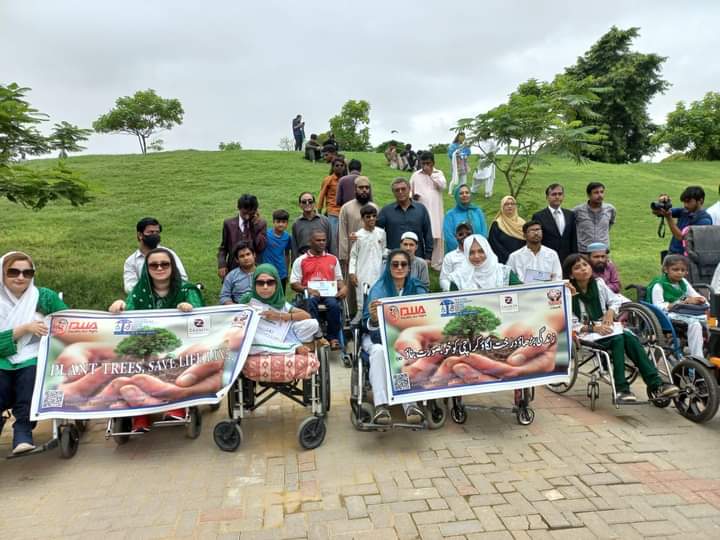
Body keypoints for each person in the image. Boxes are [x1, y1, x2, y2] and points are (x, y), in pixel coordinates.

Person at [109, 248, 204, 432]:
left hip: (179, 343)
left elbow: (200, 318)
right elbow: (128, 314)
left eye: (164, 264)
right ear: (147, 269)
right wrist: (120, 306)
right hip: (145, 345)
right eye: (154, 265)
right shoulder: (138, 292)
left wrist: (190, 308)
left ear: (172, 266)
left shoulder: (187, 290)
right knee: (129, 361)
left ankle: (176, 405)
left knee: (173, 358)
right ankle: (141, 413)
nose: (159, 268)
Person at [564, 253, 679, 404]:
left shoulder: (598, 284)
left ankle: (655, 383)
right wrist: (593, 328)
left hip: (607, 327)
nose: (584, 269)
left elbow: (615, 299)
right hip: (586, 332)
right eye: (577, 268)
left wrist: (611, 311)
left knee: (629, 337)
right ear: (571, 274)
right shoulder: (567, 292)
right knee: (619, 338)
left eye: (585, 265)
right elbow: (569, 322)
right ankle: (622, 388)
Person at [0, 251, 68, 454]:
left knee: (31, 376)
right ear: (2, 273)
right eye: (13, 272)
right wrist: (24, 329)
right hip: (2, 360)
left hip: (35, 356)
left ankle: (22, 432)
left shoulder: (44, 296)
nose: (20, 277)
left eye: (27, 273)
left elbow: (68, 321)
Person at [363, 249, 428, 425]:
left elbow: (427, 312)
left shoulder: (417, 288)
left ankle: (410, 404)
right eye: (395, 264)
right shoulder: (378, 289)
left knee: (404, 349)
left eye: (403, 264)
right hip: (377, 337)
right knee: (378, 351)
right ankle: (381, 405)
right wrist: (374, 320)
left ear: (409, 268)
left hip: (407, 338)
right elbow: (365, 323)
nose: (399, 267)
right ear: (388, 267)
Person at [239, 264, 320, 354]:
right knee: (251, 340)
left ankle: (284, 345)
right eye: (260, 283)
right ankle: (293, 348)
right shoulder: (247, 300)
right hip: (260, 335)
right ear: (254, 284)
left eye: (270, 282)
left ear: (276, 284)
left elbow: (306, 316)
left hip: (282, 333)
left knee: (312, 324)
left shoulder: (280, 302)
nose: (265, 287)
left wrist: (279, 316)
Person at [290, 230, 347, 350]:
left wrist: (344, 288)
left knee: (334, 305)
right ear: (310, 242)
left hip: (329, 292)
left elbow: (339, 279)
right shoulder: (301, 260)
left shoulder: (333, 259)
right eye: (318, 240)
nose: (321, 243)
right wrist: (307, 289)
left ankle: (333, 338)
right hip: (310, 293)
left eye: (323, 240)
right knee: (310, 302)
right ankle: (317, 335)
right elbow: (294, 284)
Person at [649, 254, 708, 359]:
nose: (680, 272)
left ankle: (710, 349)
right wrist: (684, 301)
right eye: (675, 269)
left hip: (683, 312)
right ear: (666, 270)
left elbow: (694, 294)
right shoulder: (659, 285)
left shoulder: (683, 282)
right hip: (667, 315)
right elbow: (659, 307)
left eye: (683, 270)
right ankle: (698, 358)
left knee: (712, 321)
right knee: (695, 324)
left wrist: (701, 300)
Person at [123, 217, 187, 294]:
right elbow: (129, 287)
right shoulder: (131, 261)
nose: (155, 235)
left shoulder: (169, 254)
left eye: (157, 232)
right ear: (140, 235)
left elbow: (182, 278)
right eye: (150, 232)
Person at [377, 177, 433, 261]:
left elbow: (427, 233)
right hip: (394, 259)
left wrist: (428, 256)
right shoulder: (386, 211)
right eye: (397, 190)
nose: (400, 192)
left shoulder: (421, 209)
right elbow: (376, 232)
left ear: (409, 189)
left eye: (403, 189)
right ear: (393, 192)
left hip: (416, 257)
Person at [348, 205, 387, 324]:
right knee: (361, 294)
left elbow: (384, 249)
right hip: (362, 271)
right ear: (362, 218)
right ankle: (360, 318)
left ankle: (377, 320)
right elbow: (353, 255)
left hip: (378, 270)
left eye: (374, 216)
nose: (371, 219)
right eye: (368, 216)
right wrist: (351, 273)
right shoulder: (358, 235)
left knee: (377, 295)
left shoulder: (381, 233)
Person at [409, 151, 447, 271]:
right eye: (423, 163)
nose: (425, 166)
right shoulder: (415, 175)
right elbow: (410, 191)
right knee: (421, 236)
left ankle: (437, 263)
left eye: (428, 163)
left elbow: (443, 186)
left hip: (436, 210)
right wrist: (413, 197)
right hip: (421, 210)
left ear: (433, 163)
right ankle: (420, 261)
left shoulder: (438, 173)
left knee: (437, 236)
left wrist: (431, 174)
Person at [217, 194, 267, 280]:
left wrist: (253, 227)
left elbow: (260, 247)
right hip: (233, 269)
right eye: (245, 213)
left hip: (253, 271)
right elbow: (223, 248)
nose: (247, 216)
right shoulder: (228, 224)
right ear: (239, 208)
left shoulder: (261, 224)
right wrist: (222, 264)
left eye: (251, 213)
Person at [652, 186, 712, 256]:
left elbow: (682, 238)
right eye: (684, 202)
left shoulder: (704, 221)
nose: (685, 205)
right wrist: (662, 204)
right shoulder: (684, 211)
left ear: (700, 201)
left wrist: (669, 218)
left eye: (688, 202)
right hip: (672, 254)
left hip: (686, 260)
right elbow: (658, 212)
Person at [448, 234, 522, 290]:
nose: (476, 256)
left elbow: (523, 293)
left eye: (481, 251)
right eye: (471, 253)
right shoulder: (458, 278)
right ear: (466, 255)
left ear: (487, 251)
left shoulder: (503, 272)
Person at [532, 183, 578, 264]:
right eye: (553, 194)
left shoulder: (570, 214)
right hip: (546, 259)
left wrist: (575, 258)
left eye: (560, 194)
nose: (557, 197)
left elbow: (573, 238)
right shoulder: (538, 216)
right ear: (547, 197)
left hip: (567, 259)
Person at [443, 183, 488, 253]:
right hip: (458, 254)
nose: (464, 195)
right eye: (461, 193)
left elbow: (484, 232)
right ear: (456, 196)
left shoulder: (477, 211)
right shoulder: (450, 215)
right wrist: (465, 251)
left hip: (478, 253)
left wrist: (477, 249)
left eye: (467, 192)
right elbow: (449, 238)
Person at [573, 182, 616, 253]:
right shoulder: (577, 211)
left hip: (603, 251)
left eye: (602, 192)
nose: (600, 195)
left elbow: (610, 224)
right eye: (596, 193)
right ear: (589, 195)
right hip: (584, 252)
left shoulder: (610, 209)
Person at [290, 192, 333, 257]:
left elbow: (331, 243)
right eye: (304, 202)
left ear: (314, 204)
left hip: (323, 258)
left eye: (310, 201)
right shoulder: (296, 223)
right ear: (300, 205)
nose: (307, 204)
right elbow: (294, 247)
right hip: (303, 259)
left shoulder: (325, 221)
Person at [318, 157, 347, 253]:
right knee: (333, 237)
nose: (339, 167)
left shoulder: (346, 179)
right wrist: (319, 209)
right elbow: (322, 194)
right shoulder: (328, 179)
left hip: (344, 213)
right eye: (337, 165)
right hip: (332, 212)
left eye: (341, 165)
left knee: (343, 238)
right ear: (333, 167)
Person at [261, 209, 292, 292]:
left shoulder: (287, 237)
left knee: (280, 295)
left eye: (284, 222)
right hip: (266, 271)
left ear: (287, 223)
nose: (281, 224)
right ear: (273, 222)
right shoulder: (266, 234)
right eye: (278, 221)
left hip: (281, 272)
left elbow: (287, 254)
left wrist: (286, 271)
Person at [489, 195, 526, 264]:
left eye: (512, 204)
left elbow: (527, 243)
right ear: (502, 207)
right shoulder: (497, 224)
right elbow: (494, 245)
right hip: (503, 262)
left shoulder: (523, 223)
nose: (509, 206)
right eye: (506, 204)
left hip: (521, 261)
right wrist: (509, 258)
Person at [439, 223, 472, 292]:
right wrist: (452, 291)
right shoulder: (449, 257)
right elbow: (443, 279)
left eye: (468, 234)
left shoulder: (479, 254)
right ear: (456, 236)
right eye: (460, 234)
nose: (464, 236)